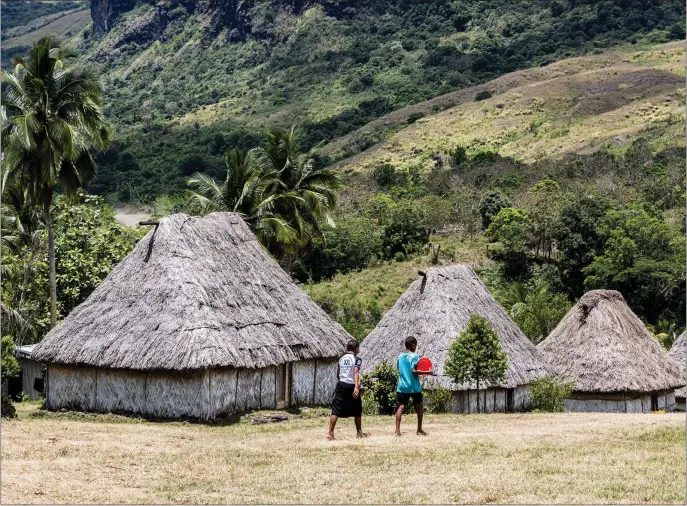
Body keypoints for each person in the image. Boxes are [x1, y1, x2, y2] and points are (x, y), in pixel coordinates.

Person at [327, 339, 369, 440]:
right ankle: (359, 433)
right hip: (351, 385)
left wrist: (341, 380)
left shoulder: (341, 358)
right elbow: (355, 371)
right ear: (357, 348)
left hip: (341, 384)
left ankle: (330, 433)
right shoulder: (357, 359)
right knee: (357, 409)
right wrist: (356, 387)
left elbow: (338, 372)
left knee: (335, 409)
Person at [395, 336, 431, 436]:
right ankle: (419, 429)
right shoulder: (415, 356)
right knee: (419, 406)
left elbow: (399, 368)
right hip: (414, 386)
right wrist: (427, 372)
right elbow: (414, 371)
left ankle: (397, 431)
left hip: (402, 386)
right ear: (413, 345)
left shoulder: (400, 356)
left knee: (400, 407)